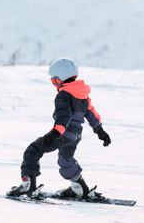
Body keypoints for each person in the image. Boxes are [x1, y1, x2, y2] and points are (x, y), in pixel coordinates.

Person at [7, 58, 111, 199]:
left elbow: (64, 116)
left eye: (54, 81)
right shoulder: (82, 94)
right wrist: (100, 131)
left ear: (62, 79)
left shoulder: (64, 95)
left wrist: (55, 133)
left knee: (33, 151)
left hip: (62, 134)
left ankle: (28, 187)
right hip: (75, 136)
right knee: (65, 160)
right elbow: (91, 113)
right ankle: (79, 188)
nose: (54, 85)